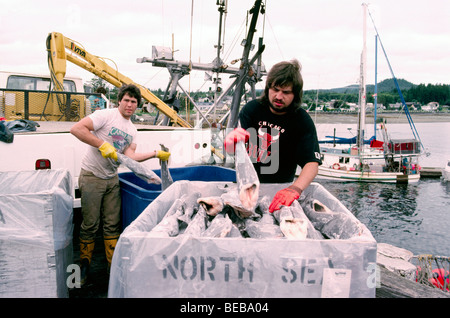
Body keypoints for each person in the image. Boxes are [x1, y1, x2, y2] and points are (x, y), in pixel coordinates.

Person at [70, 83, 170, 285]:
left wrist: (154, 154)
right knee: (90, 224)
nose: (130, 105)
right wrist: (101, 144)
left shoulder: (132, 130)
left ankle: (112, 268)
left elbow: (130, 156)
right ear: (119, 101)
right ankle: (83, 267)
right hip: (92, 176)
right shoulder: (105, 115)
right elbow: (76, 128)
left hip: (112, 179)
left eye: (134, 102)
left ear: (137, 105)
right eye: (126, 100)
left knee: (112, 225)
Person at [224, 59, 322, 213]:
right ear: (268, 87)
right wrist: (229, 141)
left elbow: (312, 164)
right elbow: (233, 150)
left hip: (281, 192)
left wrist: (295, 189)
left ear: (295, 94)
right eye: (275, 89)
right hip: (246, 190)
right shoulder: (252, 109)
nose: (279, 96)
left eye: (286, 92)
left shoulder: (302, 120)